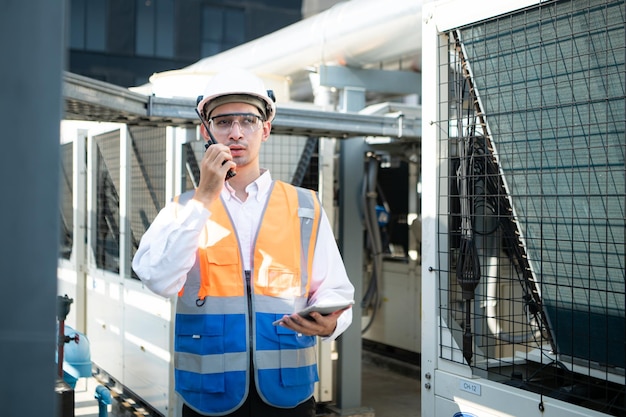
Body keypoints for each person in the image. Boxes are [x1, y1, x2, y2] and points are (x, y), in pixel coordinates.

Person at [132, 68, 355, 417]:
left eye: (248, 121)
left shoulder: (304, 207)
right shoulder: (182, 209)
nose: (236, 132)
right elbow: (158, 280)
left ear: (265, 129)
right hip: (209, 396)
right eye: (223, 122)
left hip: (288, 396)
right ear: (205, 131)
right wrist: (204, 197)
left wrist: (332, 324)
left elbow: (335, 290)